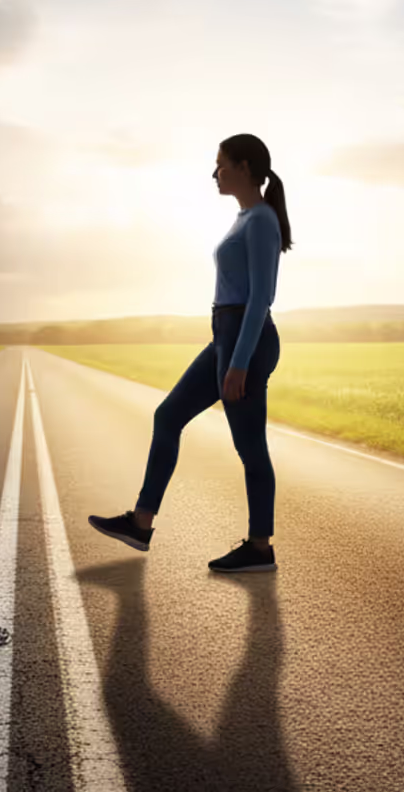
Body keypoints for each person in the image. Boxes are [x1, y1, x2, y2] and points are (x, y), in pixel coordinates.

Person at [89, 133, 292, 573]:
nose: (214, 172)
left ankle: (260, 547)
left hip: (246, 339)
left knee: (250, 446)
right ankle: (141, 522)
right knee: (168, 416)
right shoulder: (244, 218)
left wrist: (239, 362)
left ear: (242, 167)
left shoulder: (260, 220)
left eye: (219, 163)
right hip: (225, 333)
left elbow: (261, 299)